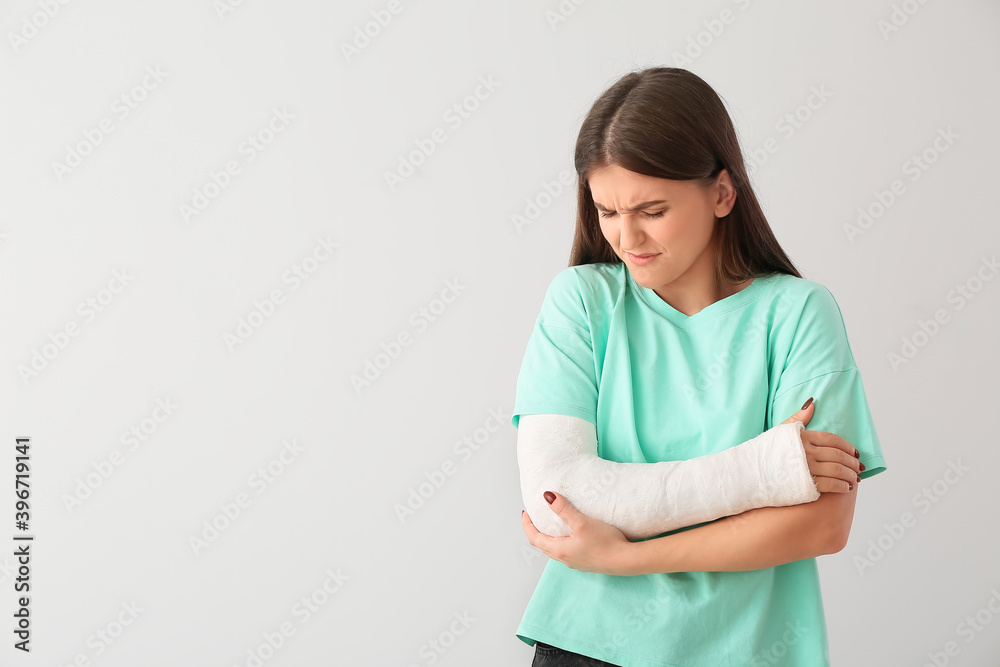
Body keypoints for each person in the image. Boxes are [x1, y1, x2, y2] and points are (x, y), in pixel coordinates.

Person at [510, 67, 887, 667]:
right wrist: (763, 470)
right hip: (588, 645)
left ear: (721, 192)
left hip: (749, 650)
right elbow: (557, 497)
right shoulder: (582, 300)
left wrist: (626, 556)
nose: (625, 236)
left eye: (651, 210)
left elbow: (821, 526)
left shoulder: (797, 313)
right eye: (606, 211)